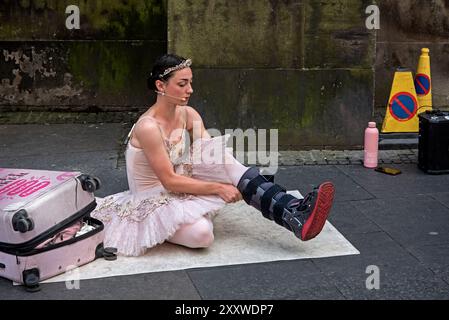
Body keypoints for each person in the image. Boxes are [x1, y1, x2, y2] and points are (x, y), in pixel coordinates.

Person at [91, 54, 335, 257]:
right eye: (182, 84)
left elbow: (210, 153)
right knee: (203, 235)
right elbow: (169, 181)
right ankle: (284, 211)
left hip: (180, 182)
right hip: (152, 198)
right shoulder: (148, 127)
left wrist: (225, 171)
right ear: (160, 86)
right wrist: (218, 188)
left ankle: (290, 210)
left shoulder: (187, 114)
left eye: (191, 82)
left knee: (224, 159)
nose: (190, 90)